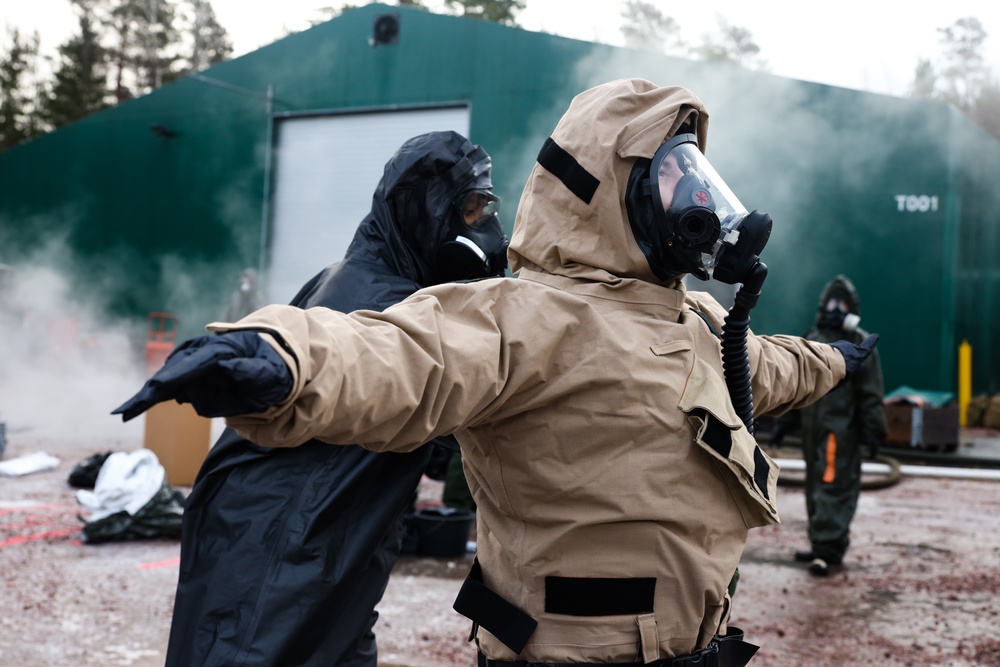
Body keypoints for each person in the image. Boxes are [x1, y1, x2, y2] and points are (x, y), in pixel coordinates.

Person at [115, 79, 880, 665]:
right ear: (610, 193)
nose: (701, 199)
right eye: (675, 176)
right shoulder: (526, 317)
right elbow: (401, 354)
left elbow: (763, 365)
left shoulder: (697, 321)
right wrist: (280, 358)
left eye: (698, 174)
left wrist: (835, 359)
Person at [160, 130, 509, 666]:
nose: (486, 230)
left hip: (330, 544)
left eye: (486, 207)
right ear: (423, 211)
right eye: (469, 209)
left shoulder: (365, 280)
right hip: (282, 541)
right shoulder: (387, 306)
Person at [771, 275, 887, 577]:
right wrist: (784, 423)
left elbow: (870, 393)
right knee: (814, 487)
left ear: (852, 308)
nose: (836, 308)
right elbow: (796, 384)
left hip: (840, 431)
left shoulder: (860, 344)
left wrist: (875, 430)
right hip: (812, 429)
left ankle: (829, 550)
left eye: (842, 303)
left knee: (833, 486)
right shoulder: (811, 337)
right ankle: (820, 543)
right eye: (832, 302)